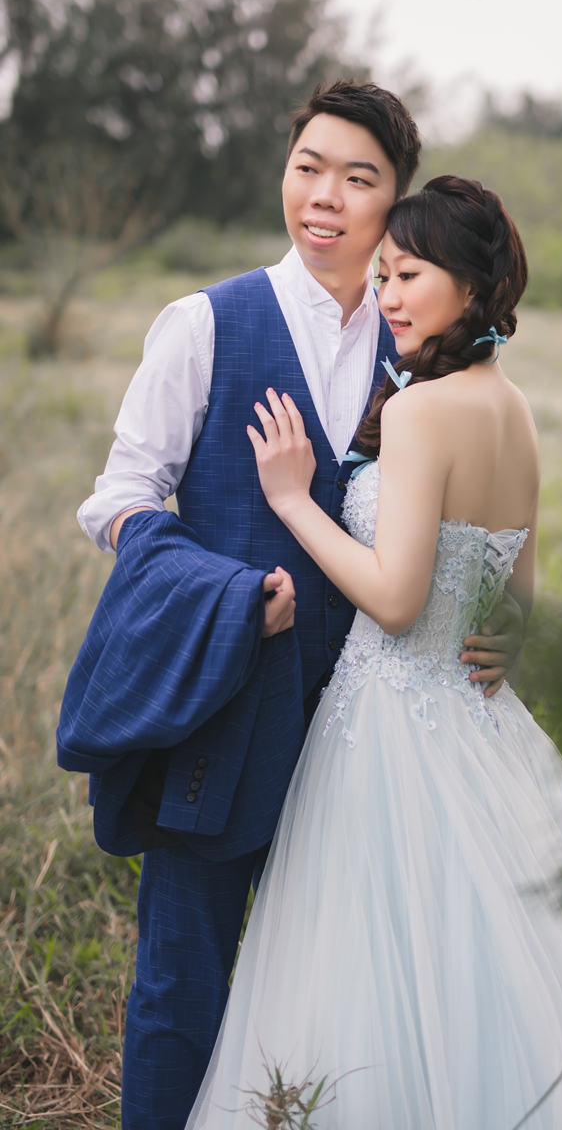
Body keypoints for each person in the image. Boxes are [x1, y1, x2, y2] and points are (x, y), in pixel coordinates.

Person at [186, 175, 562, 1129]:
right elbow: (521, 596)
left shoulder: (422, 411)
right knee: (496, 950)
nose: (387, 296)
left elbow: (395, 602)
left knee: (392, 950)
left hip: (390, 721)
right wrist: (489, 645)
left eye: (408, 275)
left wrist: (294, 501)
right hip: (478, 717)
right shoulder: (514, 408)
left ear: (470, 285)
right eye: (382, 277)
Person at [64, 84, 522, 1130]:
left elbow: (474, 506)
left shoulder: (424, 339)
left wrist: (503, 617)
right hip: (224, 708)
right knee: (182, 979)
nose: (323, 196)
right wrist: (223, 596)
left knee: (360, 989)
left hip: (372, 736)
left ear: (397, 201)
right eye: (307, 167)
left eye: (357, 179)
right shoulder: (204, 323)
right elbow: (120, 497)